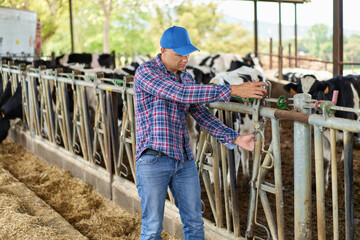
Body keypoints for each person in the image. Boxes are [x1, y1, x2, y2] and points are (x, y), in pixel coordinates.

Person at [133, 26, 267, 240]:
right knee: (152, 227)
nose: (185, 59)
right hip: (153, 159)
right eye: (179, 54)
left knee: (195, 223)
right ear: (163, 50)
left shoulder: (186, 78)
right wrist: (232, 90)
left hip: (184, 160)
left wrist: (235, 137)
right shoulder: (147, 72)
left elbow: (202, 116)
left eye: (187, 54)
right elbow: (179, 93)